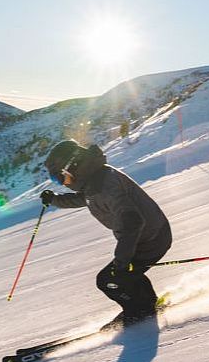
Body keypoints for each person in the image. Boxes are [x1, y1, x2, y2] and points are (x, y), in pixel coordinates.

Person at [40, 139, 172, 330]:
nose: (63, 184)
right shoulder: (95, 180)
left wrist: (122, 261)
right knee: (125, 274)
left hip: (150, 238)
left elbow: (133, 222)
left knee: (109, 279)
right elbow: (84, 198)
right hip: (147, 235)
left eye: (61, 178)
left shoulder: (104, 184)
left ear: (74, 167)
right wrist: (55, 200)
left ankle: (140, 311)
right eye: (56, 180)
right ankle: (145, 304)